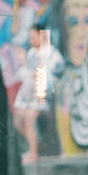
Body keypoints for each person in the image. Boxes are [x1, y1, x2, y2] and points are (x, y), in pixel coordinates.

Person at [13, 23, 64, 164]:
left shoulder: (51, 53)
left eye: (33, 37)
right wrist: (24, 63)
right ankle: (36, 143)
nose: (31, 40)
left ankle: (34, 153)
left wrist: (38, 75)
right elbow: (24, 74)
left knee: (29, 119)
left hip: (41, 92)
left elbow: (53, 74)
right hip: (28, 92)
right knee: (17, 120)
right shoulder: (31, 53)